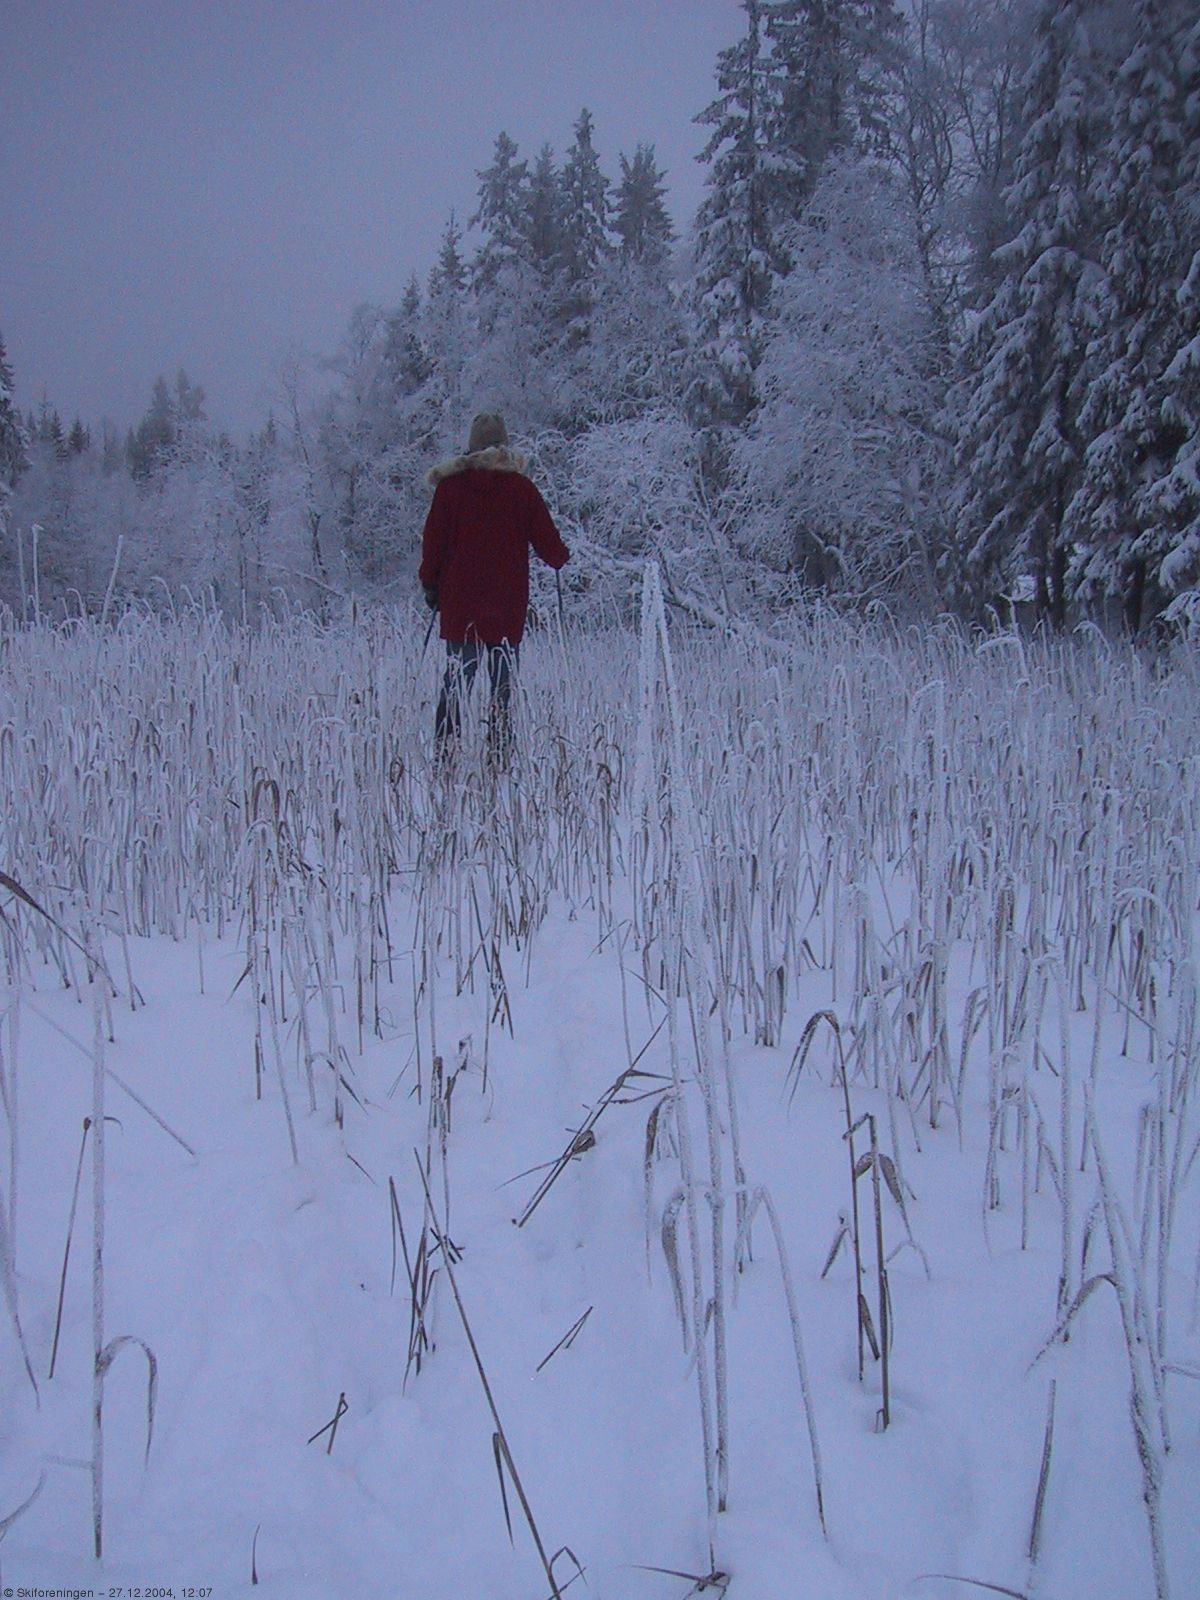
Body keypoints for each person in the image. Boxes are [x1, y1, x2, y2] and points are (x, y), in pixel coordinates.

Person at [419, 411, 569, 758]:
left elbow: (433, 543)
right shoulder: (522, 490)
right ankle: (499, 751)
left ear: (470, 448)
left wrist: (430, 584)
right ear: (505, 446)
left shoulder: (449, 490)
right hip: (506, 605)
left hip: (460, 605)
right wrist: (560, 557)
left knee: (456, 680)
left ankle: (446, 750)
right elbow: (549, 544)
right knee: (501, 684)